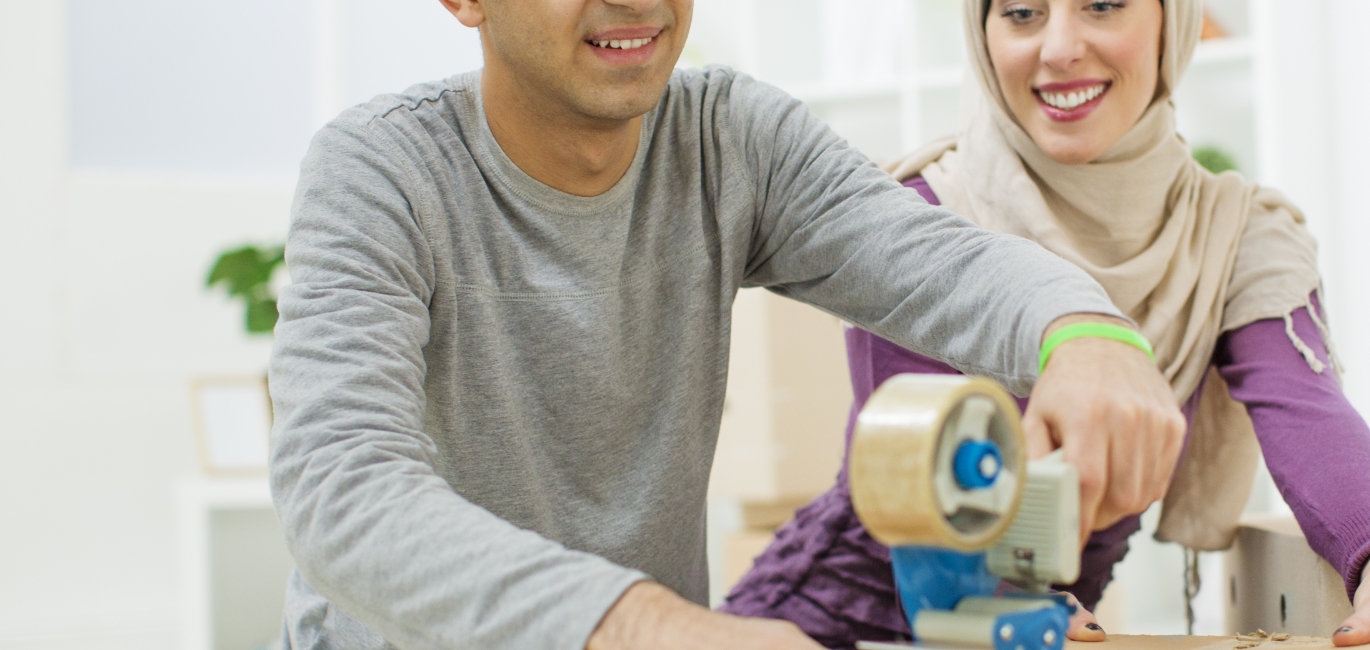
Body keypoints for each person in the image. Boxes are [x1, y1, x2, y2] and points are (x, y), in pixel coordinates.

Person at [266, 0, 1200, 647]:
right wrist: (644, 625)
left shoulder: (729, 138)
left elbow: (929, 258)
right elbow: (341, 487)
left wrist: (1084, 330)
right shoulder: (377, 170)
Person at [721, 0, 1370, 647]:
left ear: (1172, 22)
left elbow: (1306, 411)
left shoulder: (1236, 236)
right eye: (1023, 13)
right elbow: (932, 489)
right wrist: (1030, 607)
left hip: (1038, 631)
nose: (1060, 47)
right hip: (832, 624)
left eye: (1103, 5)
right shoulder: (922, 217)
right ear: (981, 32)